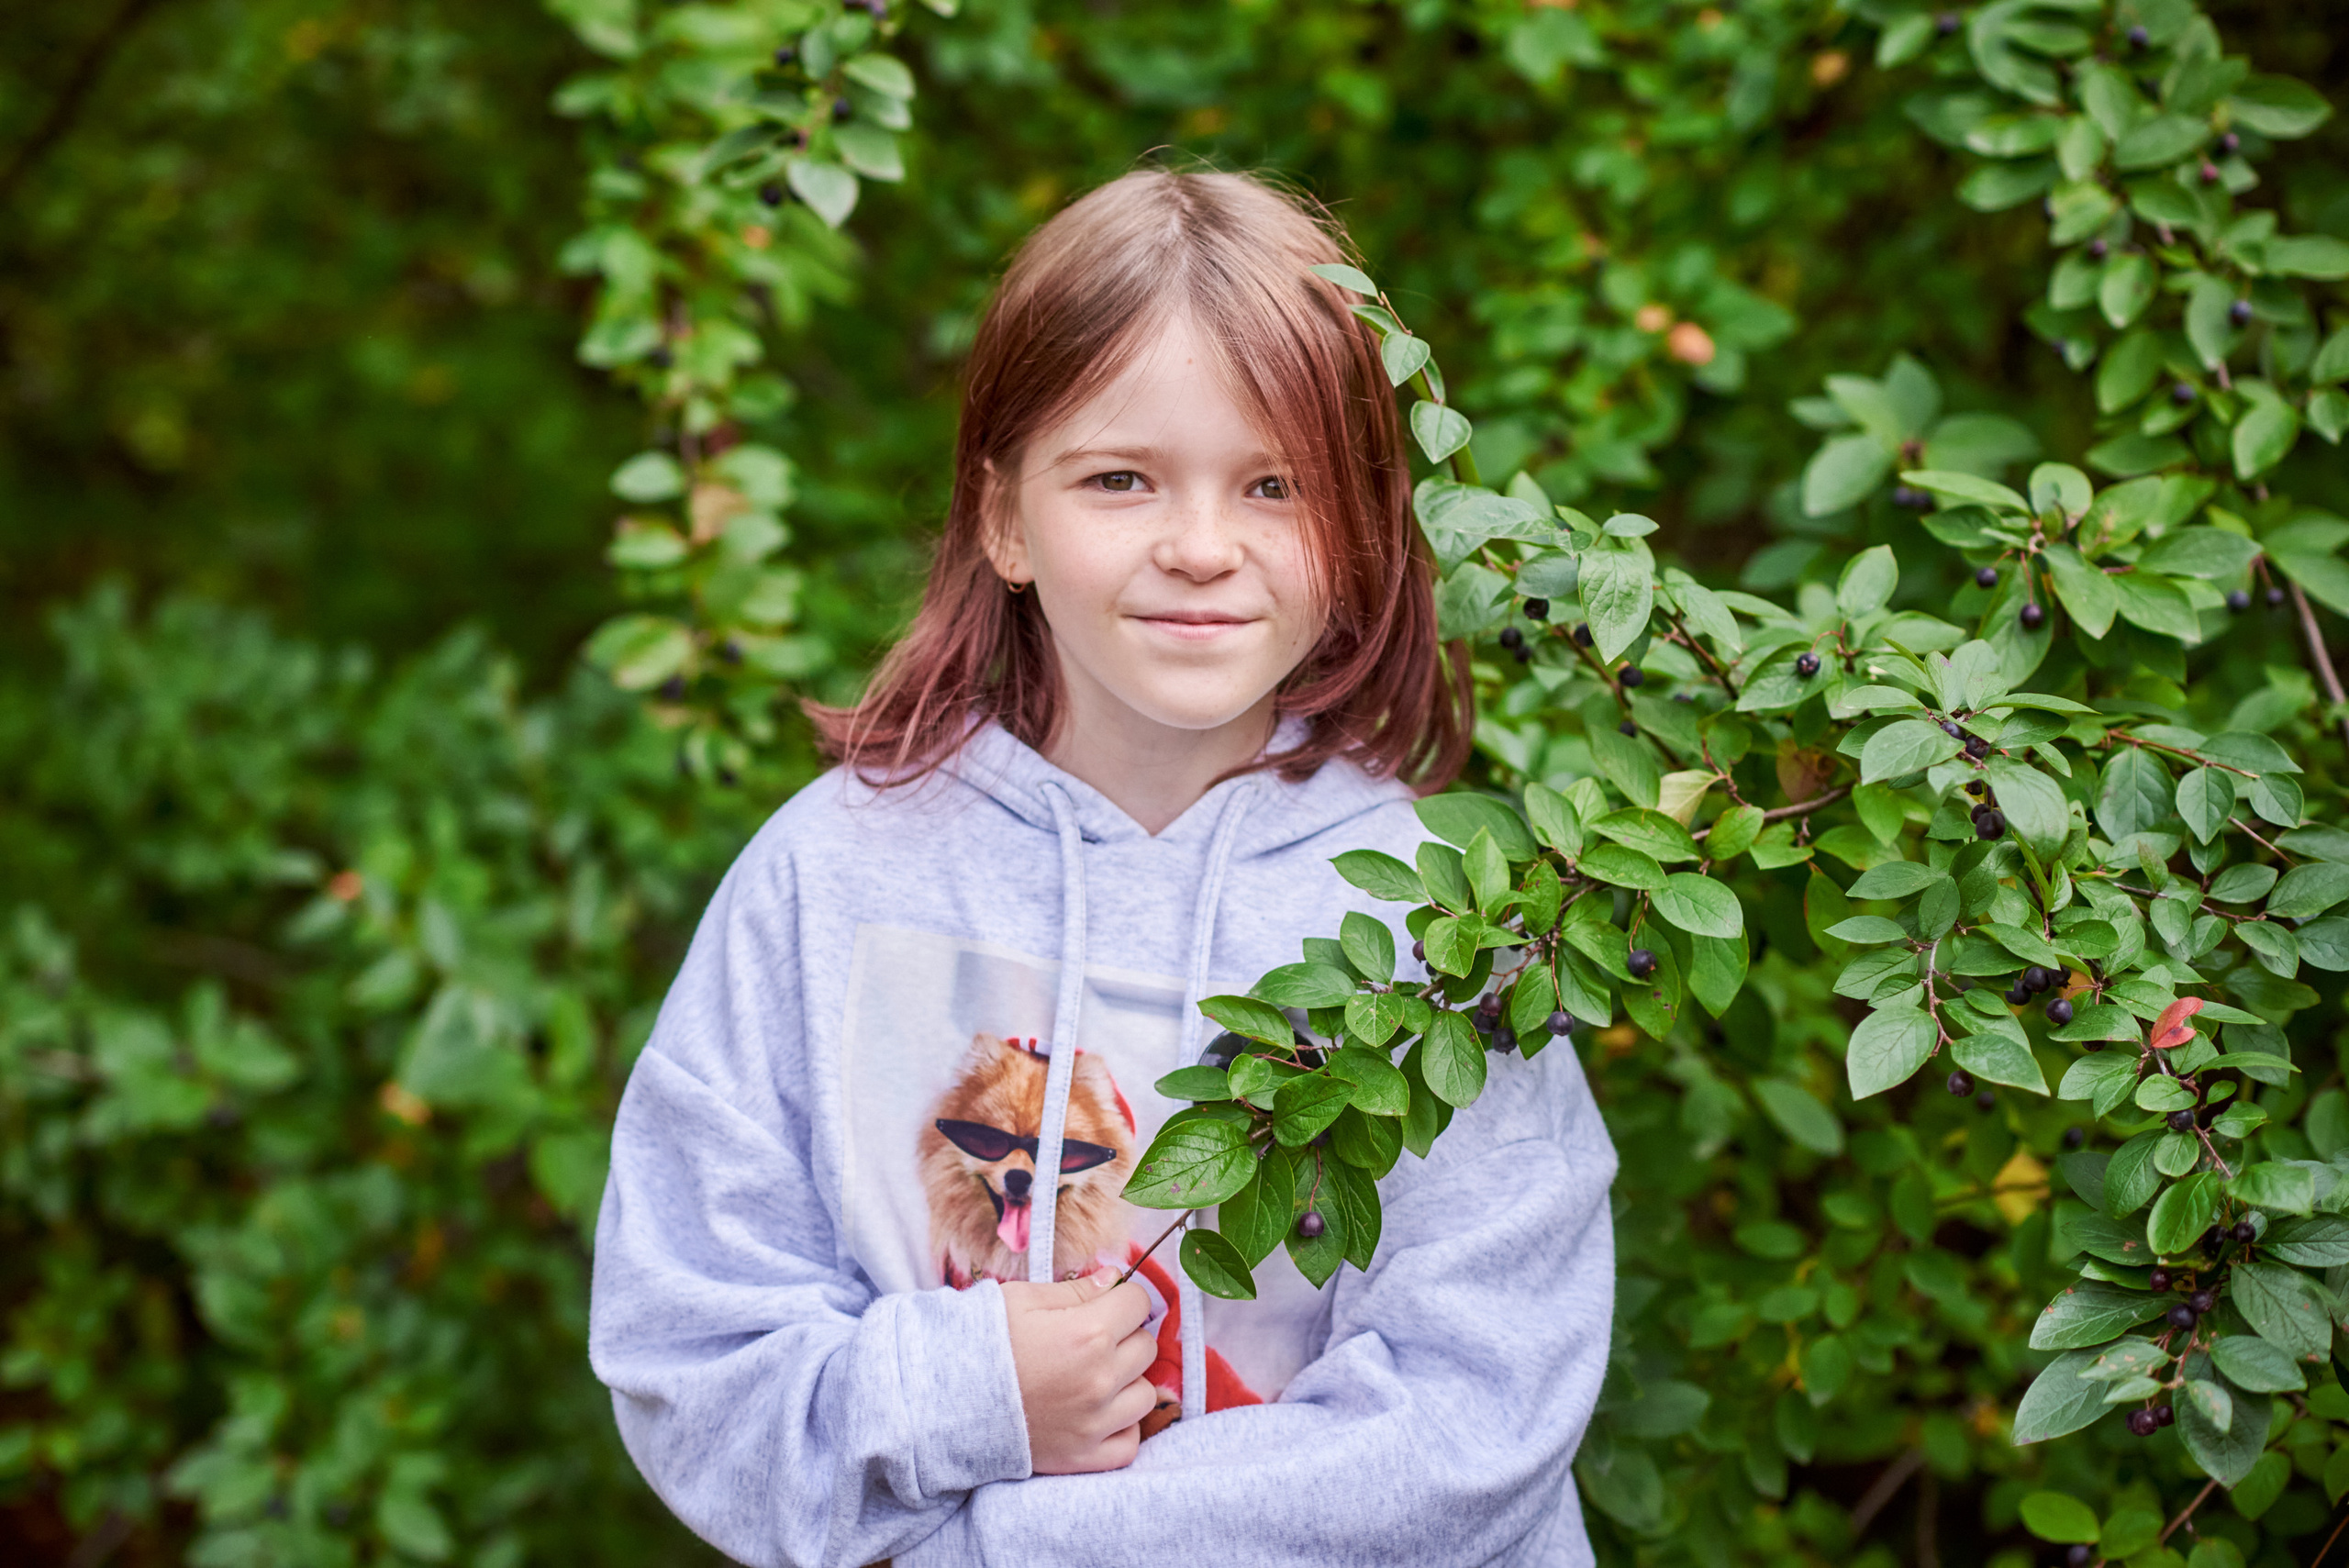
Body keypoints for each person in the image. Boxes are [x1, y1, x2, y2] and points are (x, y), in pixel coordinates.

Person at [588, 167, 1618, 1567]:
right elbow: (693, 1357)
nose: (1201, 547)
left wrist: (1006, 1548)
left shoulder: (1444, 912)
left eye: (1274, 484)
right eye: (1120, 477)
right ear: (1005, 516)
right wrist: (972, 1392)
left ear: (1360, 522)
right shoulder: (826, 881)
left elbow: (1471, 1420)